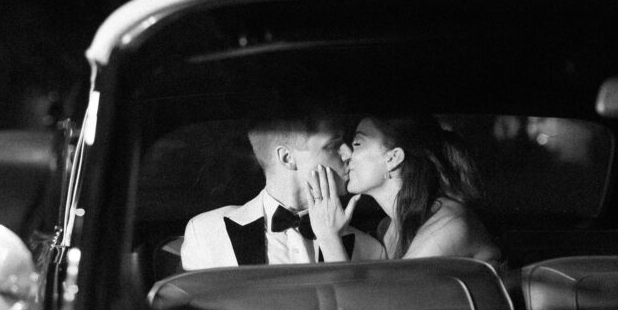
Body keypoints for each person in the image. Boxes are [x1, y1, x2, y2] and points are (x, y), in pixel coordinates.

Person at [180, 115, 384, 269]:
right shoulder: (207, 233)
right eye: (332, 146)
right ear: (287, 158)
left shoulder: (370, 250)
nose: (348, 154)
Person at [307, 115, 501, 265]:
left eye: (357, 143)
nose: (346, 154)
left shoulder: (449, 227)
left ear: (393, 158)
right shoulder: (388, 229)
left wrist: (329, 238)